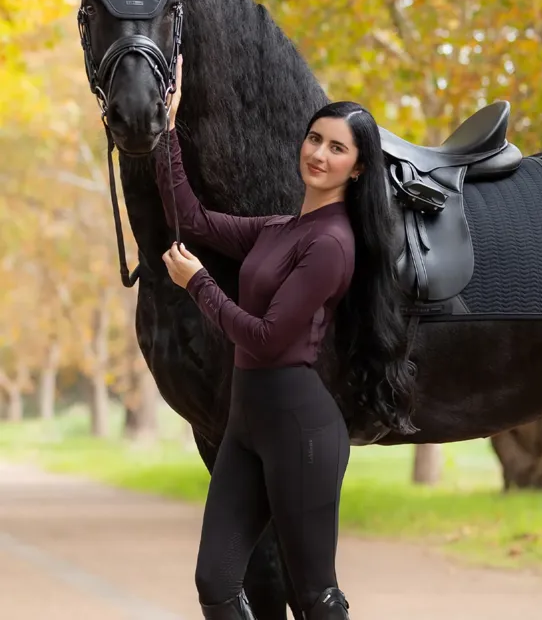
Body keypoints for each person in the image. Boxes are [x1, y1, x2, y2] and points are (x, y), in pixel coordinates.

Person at [156, 56, 412, 619]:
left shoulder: (331, 244)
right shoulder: (282, 229)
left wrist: (197, 282)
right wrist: (168, 129)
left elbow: (269, 340)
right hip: (248, 423)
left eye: (337, 148)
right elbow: (192, 219)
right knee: (216, 581)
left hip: (301, 431)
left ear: (358, 168)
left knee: (314, 595)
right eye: (314, 139)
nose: (318, 154)